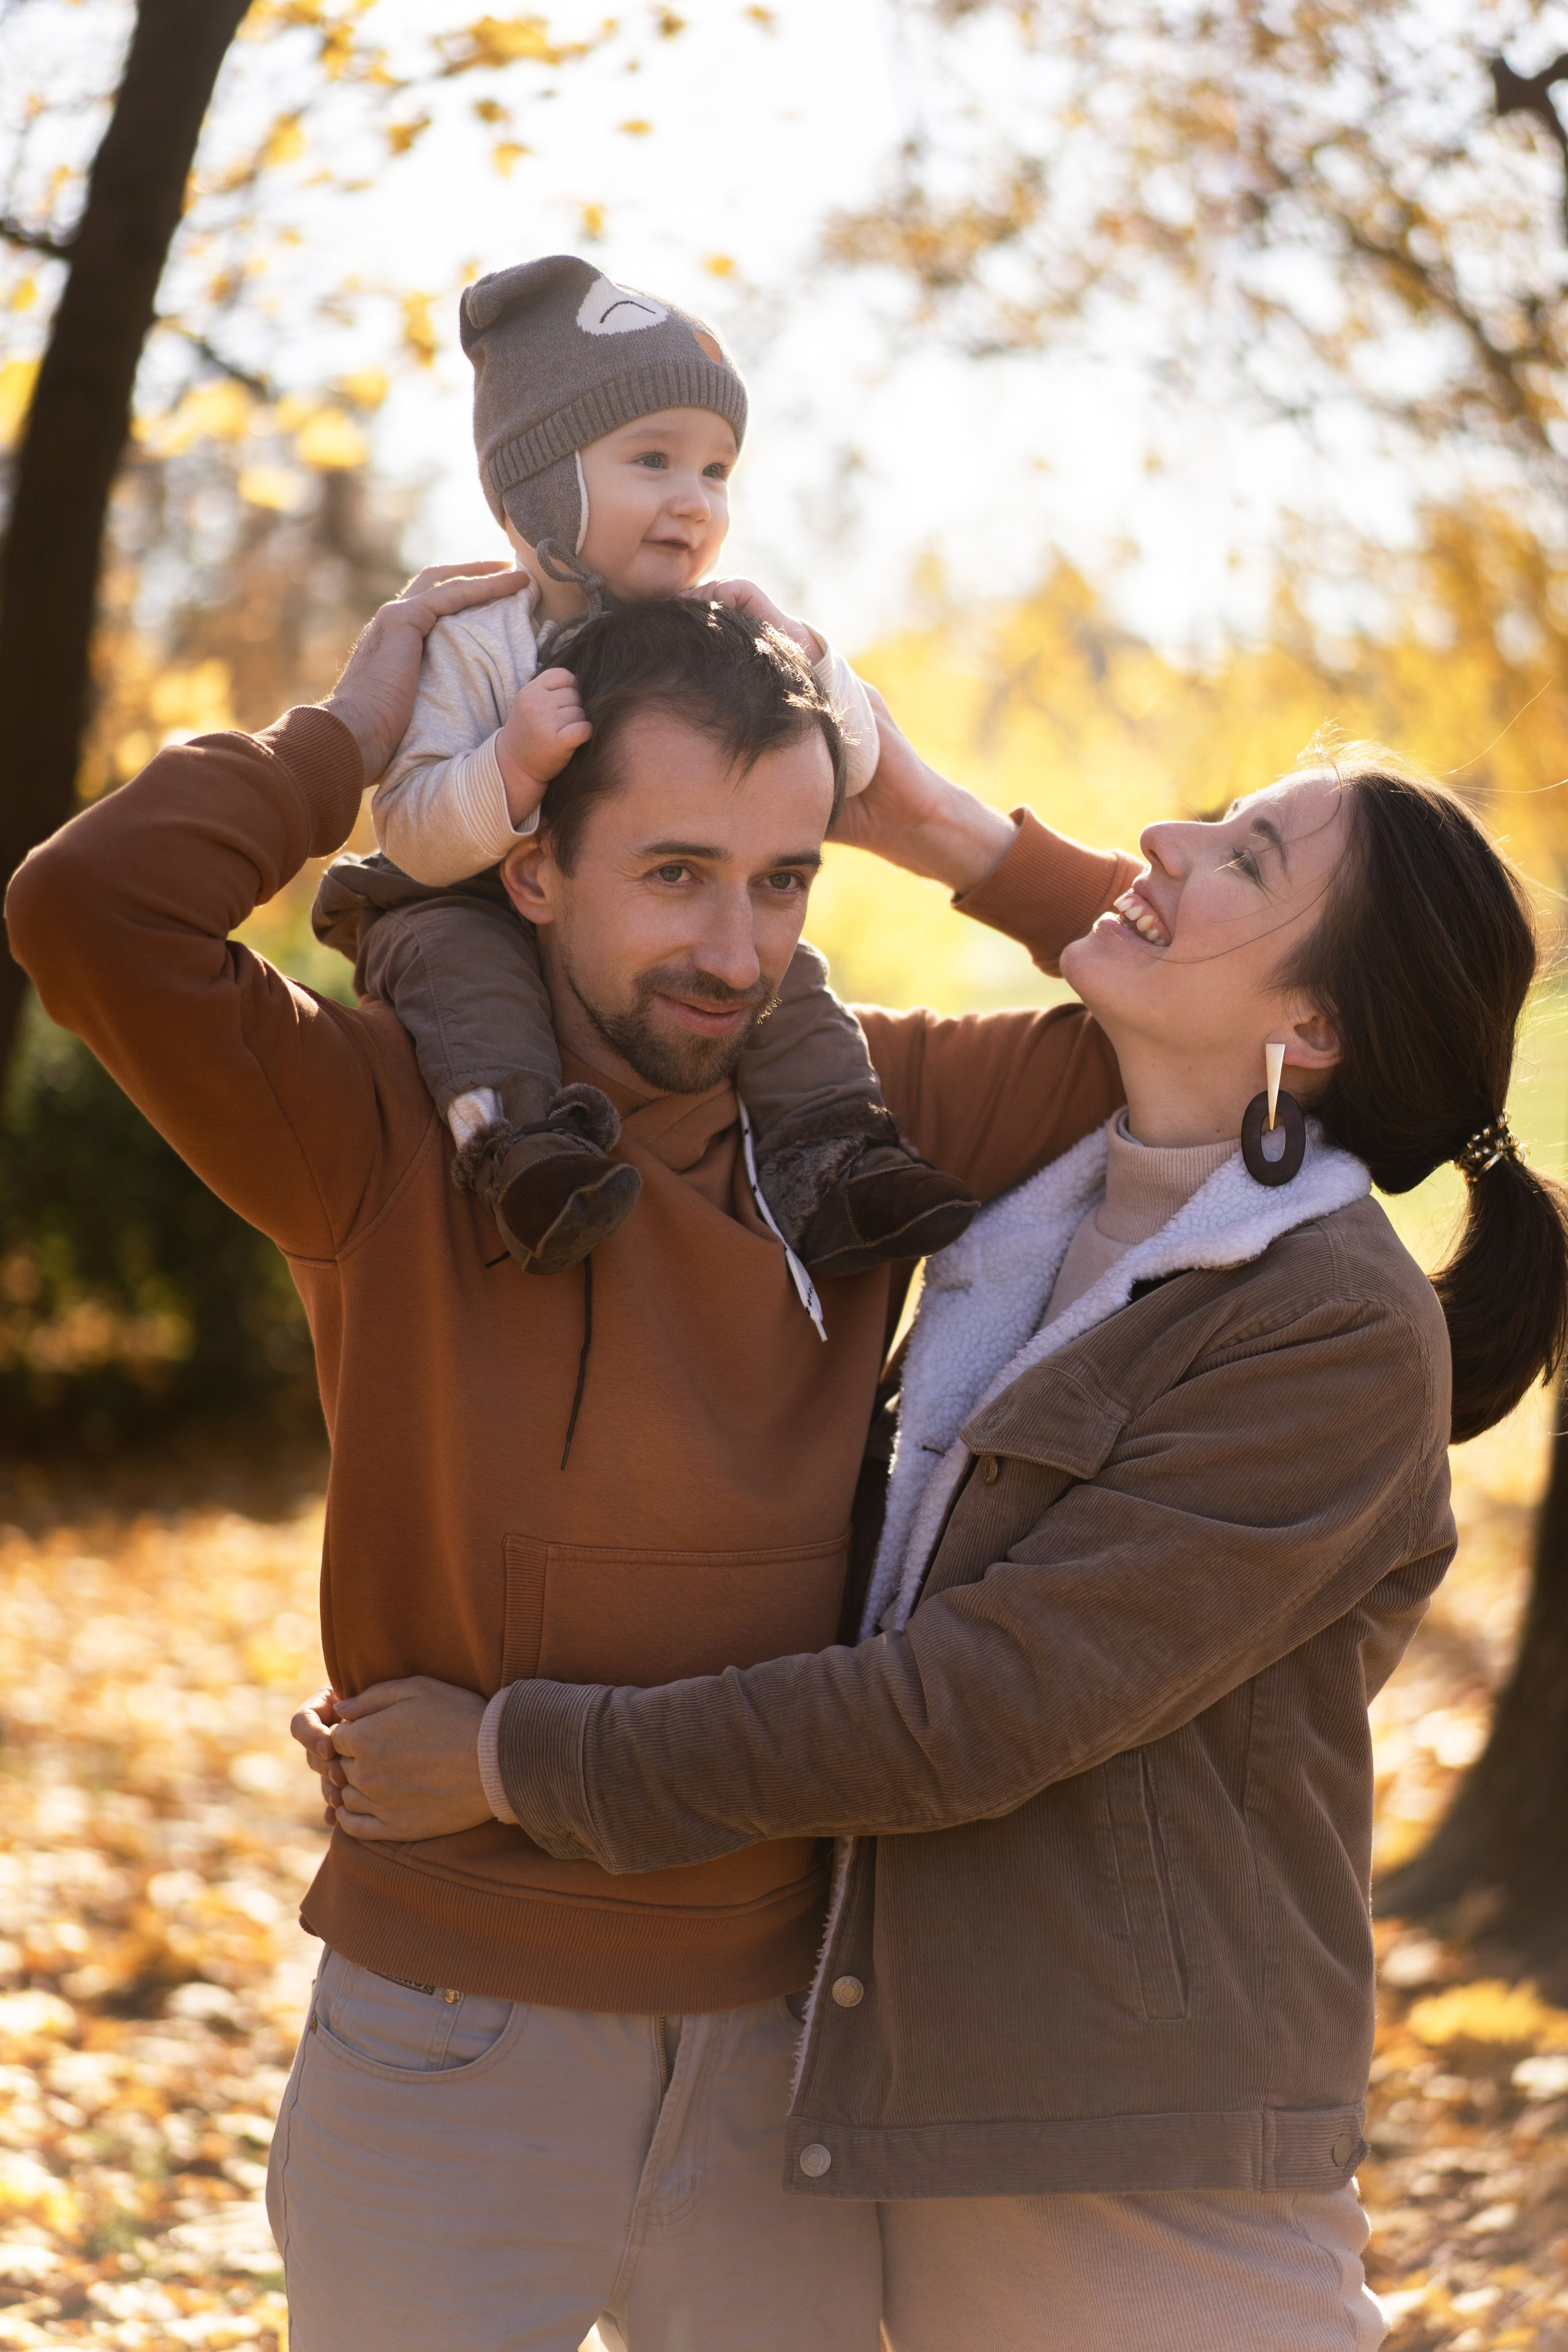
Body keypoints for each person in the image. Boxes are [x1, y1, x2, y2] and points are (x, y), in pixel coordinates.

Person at [308, 734, 1568, 2350]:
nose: (1163, 829)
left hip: (1137, 2181)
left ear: (1310, 1027)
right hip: (908, 2124)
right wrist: (924, 819)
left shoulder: (1327, 1323)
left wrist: (510, 1760)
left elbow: (968, 1709)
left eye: (1246, 855)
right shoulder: (1013, 1205)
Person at [6, 563, 1140, 2352]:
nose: (738, 952)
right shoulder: (375, 1113)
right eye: (677, 874)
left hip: (792, 2037)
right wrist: (361, 735)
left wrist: (928, 815)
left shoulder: (872, 1128)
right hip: (449, 2020)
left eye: (784, 882)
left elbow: (1266, 1023)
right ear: (533, 866)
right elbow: (87, 909)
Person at [314, 251, 979, 1281]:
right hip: (459, 898)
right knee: (461, 979)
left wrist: (808, 660)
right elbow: (410, 824)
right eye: (653, 461)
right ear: (539, 492)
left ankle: (839, 1160)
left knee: (778, 975)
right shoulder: (479, 640)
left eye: (716, 471)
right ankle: (526, 1156)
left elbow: (846, 764)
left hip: (643, 919)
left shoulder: (717, 635)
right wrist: (509, 765)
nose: (696, 500)